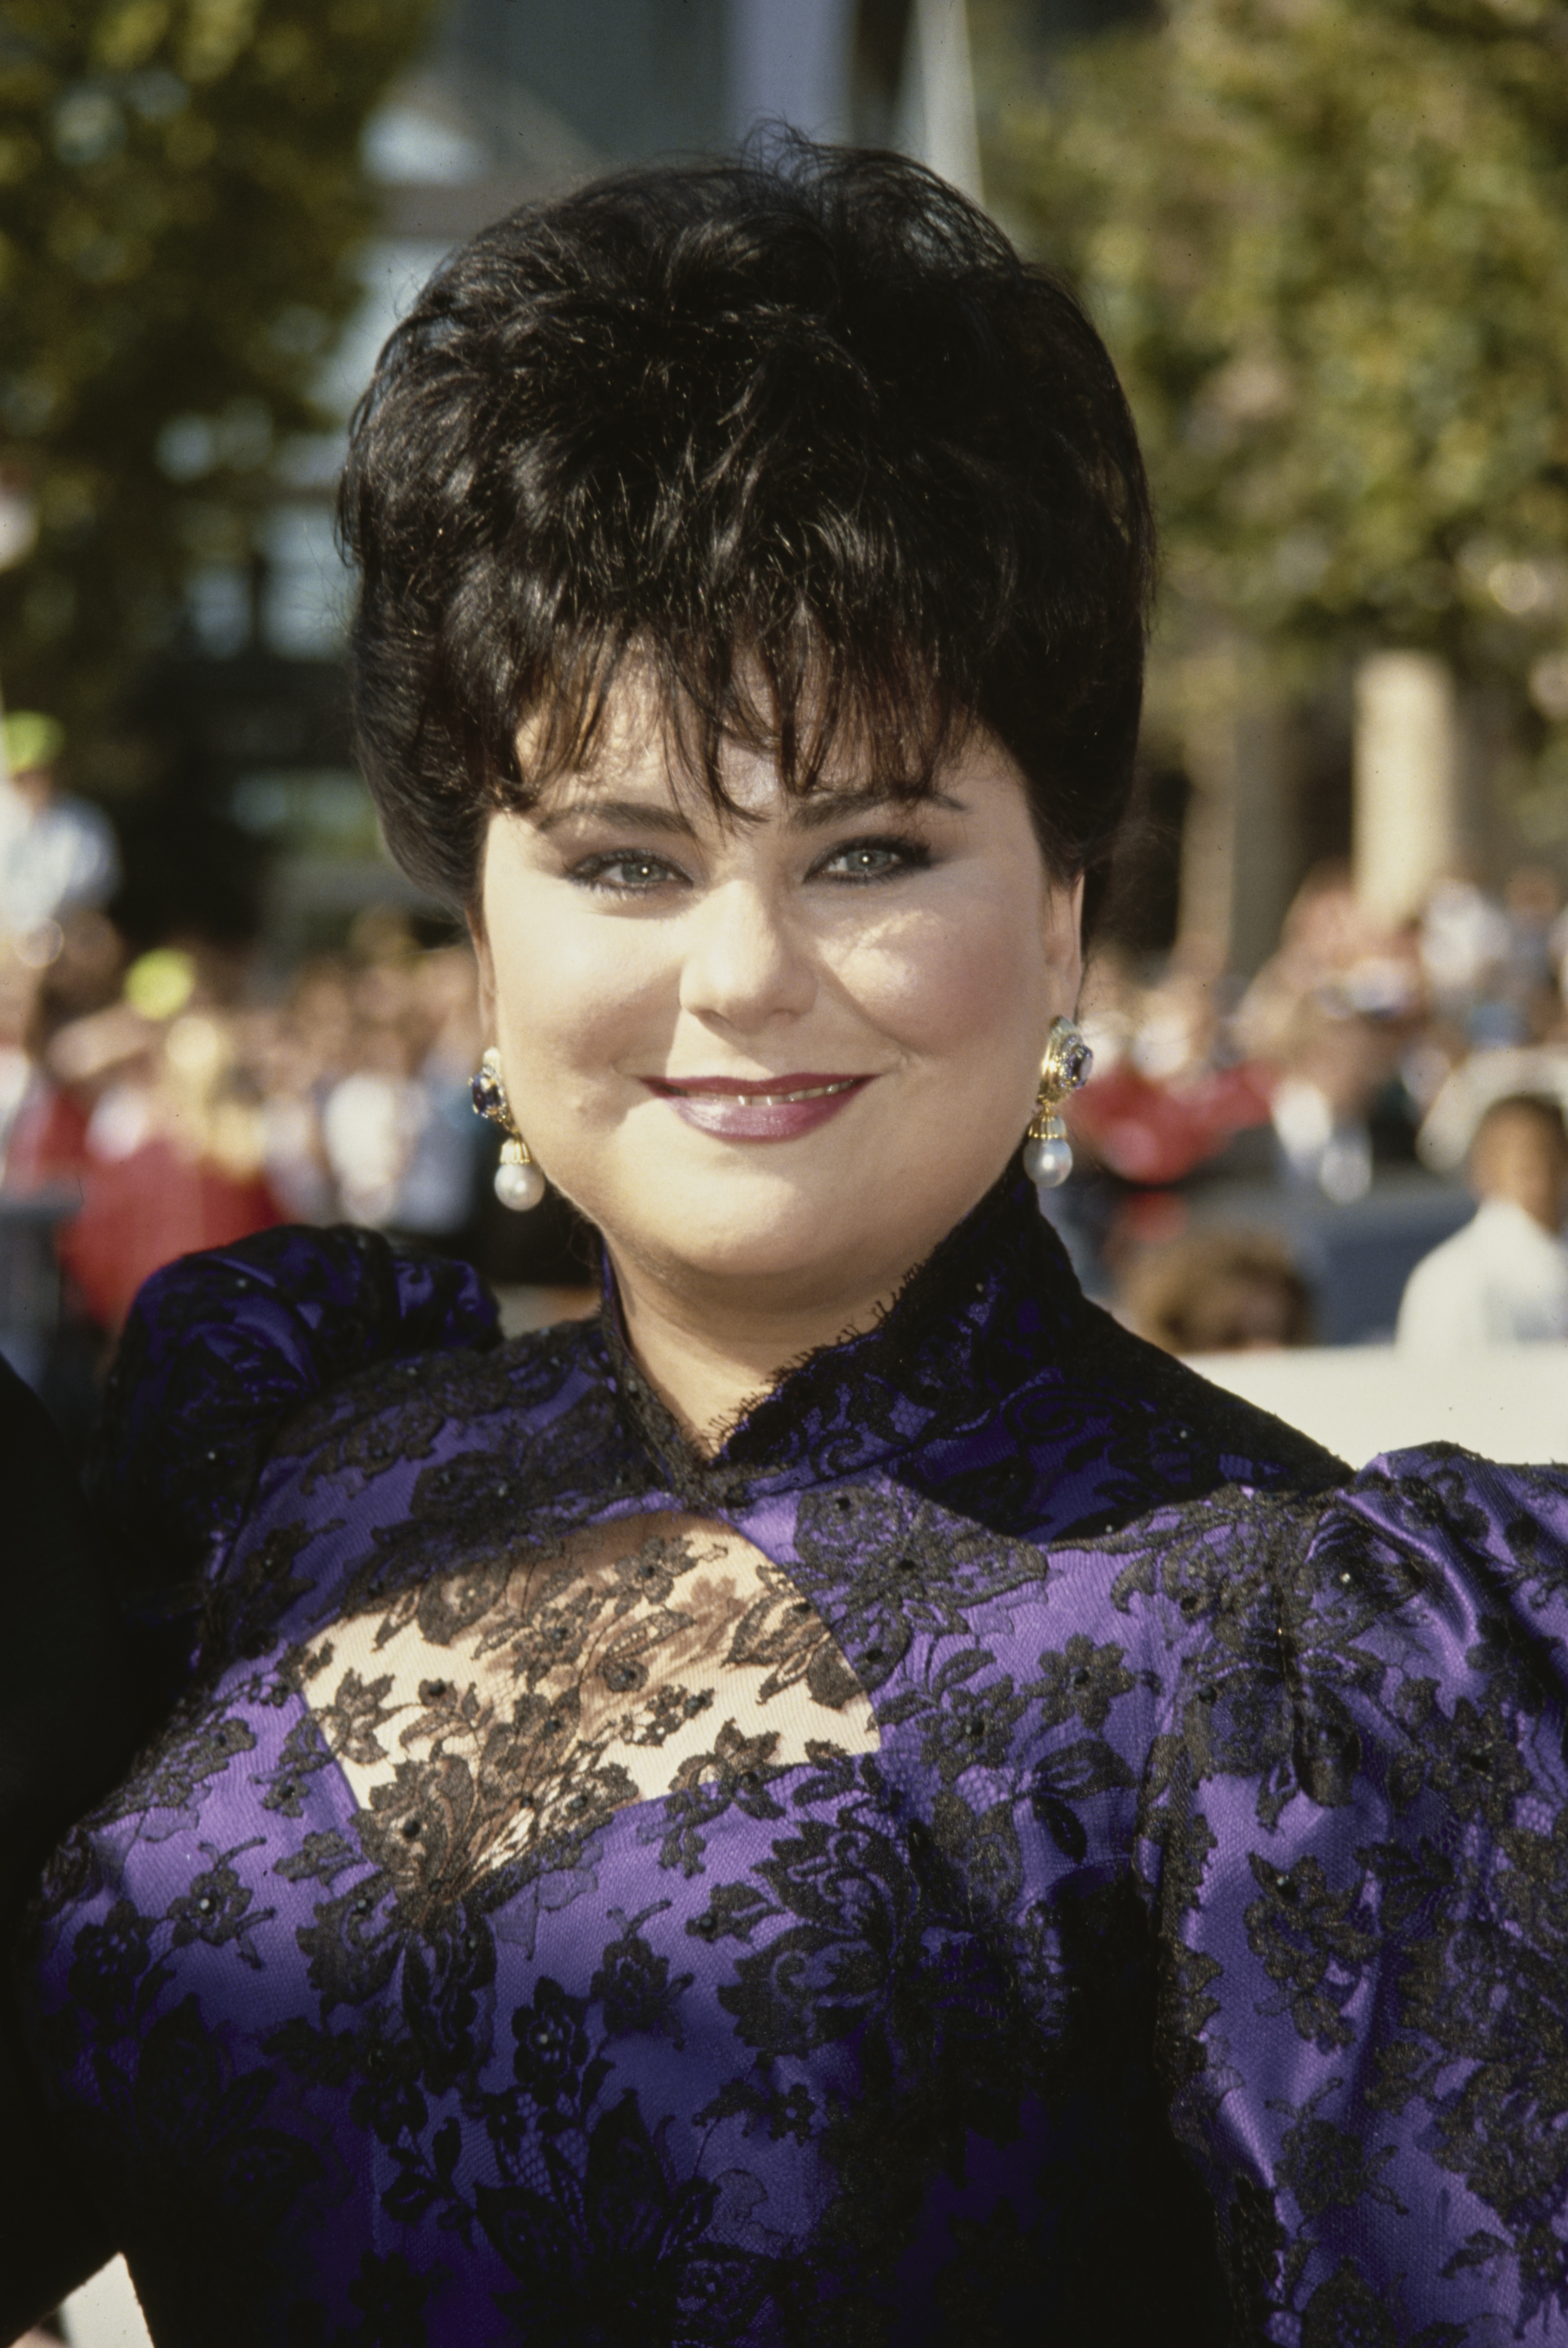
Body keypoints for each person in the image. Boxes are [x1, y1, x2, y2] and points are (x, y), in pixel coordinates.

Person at [9, 143, 1568, 2346]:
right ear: (476, 940)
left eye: (867, 849)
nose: (740, 970)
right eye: (626, 862)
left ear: (1057, 922)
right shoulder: (280, 1465)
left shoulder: (1303, 1667)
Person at [1397, 1090, 1568, 1348]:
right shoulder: (1454, 1280)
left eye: (1549, 1152)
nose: (1540, 1169)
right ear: (1480, 1172)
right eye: (1518, 1158)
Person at [0, 713, 120, 949]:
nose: (36, 783)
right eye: (24, 776)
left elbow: (97, 900)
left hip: (65, 943)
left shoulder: (87, 823)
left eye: (43, 772)